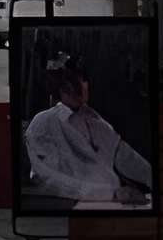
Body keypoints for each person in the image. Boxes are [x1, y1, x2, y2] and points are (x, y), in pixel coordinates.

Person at [21, 54, 153, 208]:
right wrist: (109, 193)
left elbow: (123, 155)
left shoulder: (93, 119)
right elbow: (47, 177)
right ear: (60, 87)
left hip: (114, 200)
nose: (80, 86)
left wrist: (153, 178)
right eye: (71, 82)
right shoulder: (44, 123)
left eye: (83, 79)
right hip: (75, 202)